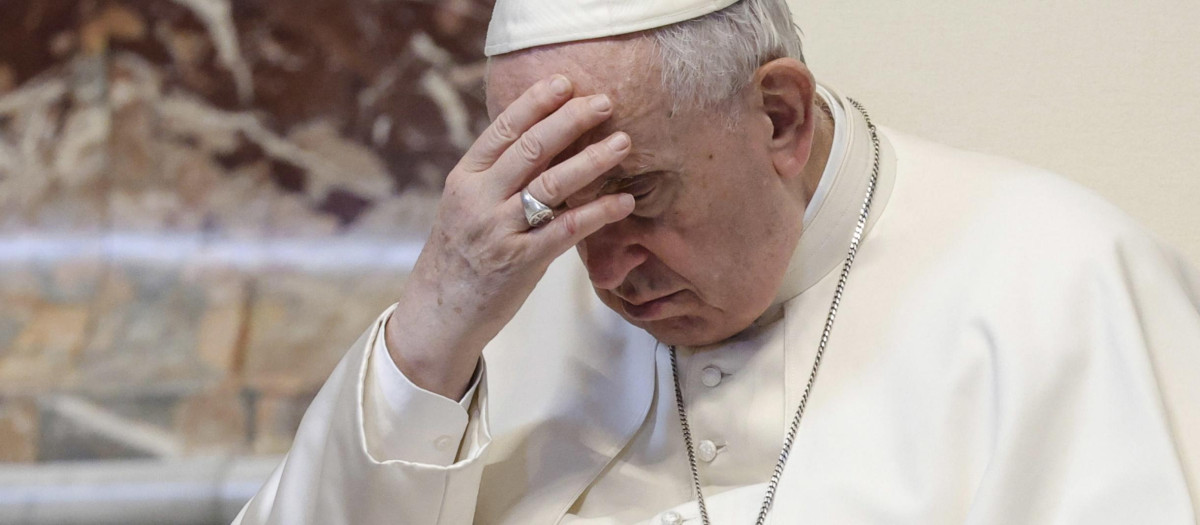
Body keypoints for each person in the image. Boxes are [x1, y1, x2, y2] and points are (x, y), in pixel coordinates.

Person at [234, 0, 1200, 523]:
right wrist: (434, 327)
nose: (605, 273)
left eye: (638, 195)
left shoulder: (1063, 283)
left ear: (777, 115)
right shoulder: (508, 304)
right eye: (562, 209)